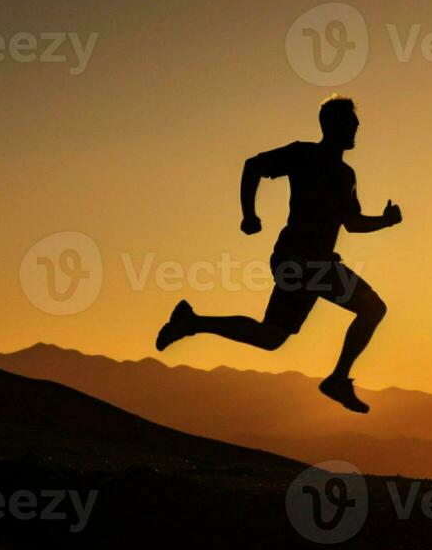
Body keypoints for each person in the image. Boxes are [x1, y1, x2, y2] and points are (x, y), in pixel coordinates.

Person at [155, 95, 401, 413]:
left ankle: (192, 322)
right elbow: (253, 166)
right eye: (352, 123)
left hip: (316, 264)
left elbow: (351, 224)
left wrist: (386, 221)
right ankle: (338, 379)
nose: (357, 128)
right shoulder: (304, 154)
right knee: (371, 308)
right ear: (334, 125)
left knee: (271, 337)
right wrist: (249, 214)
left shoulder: (345, 175)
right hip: (298, 261)